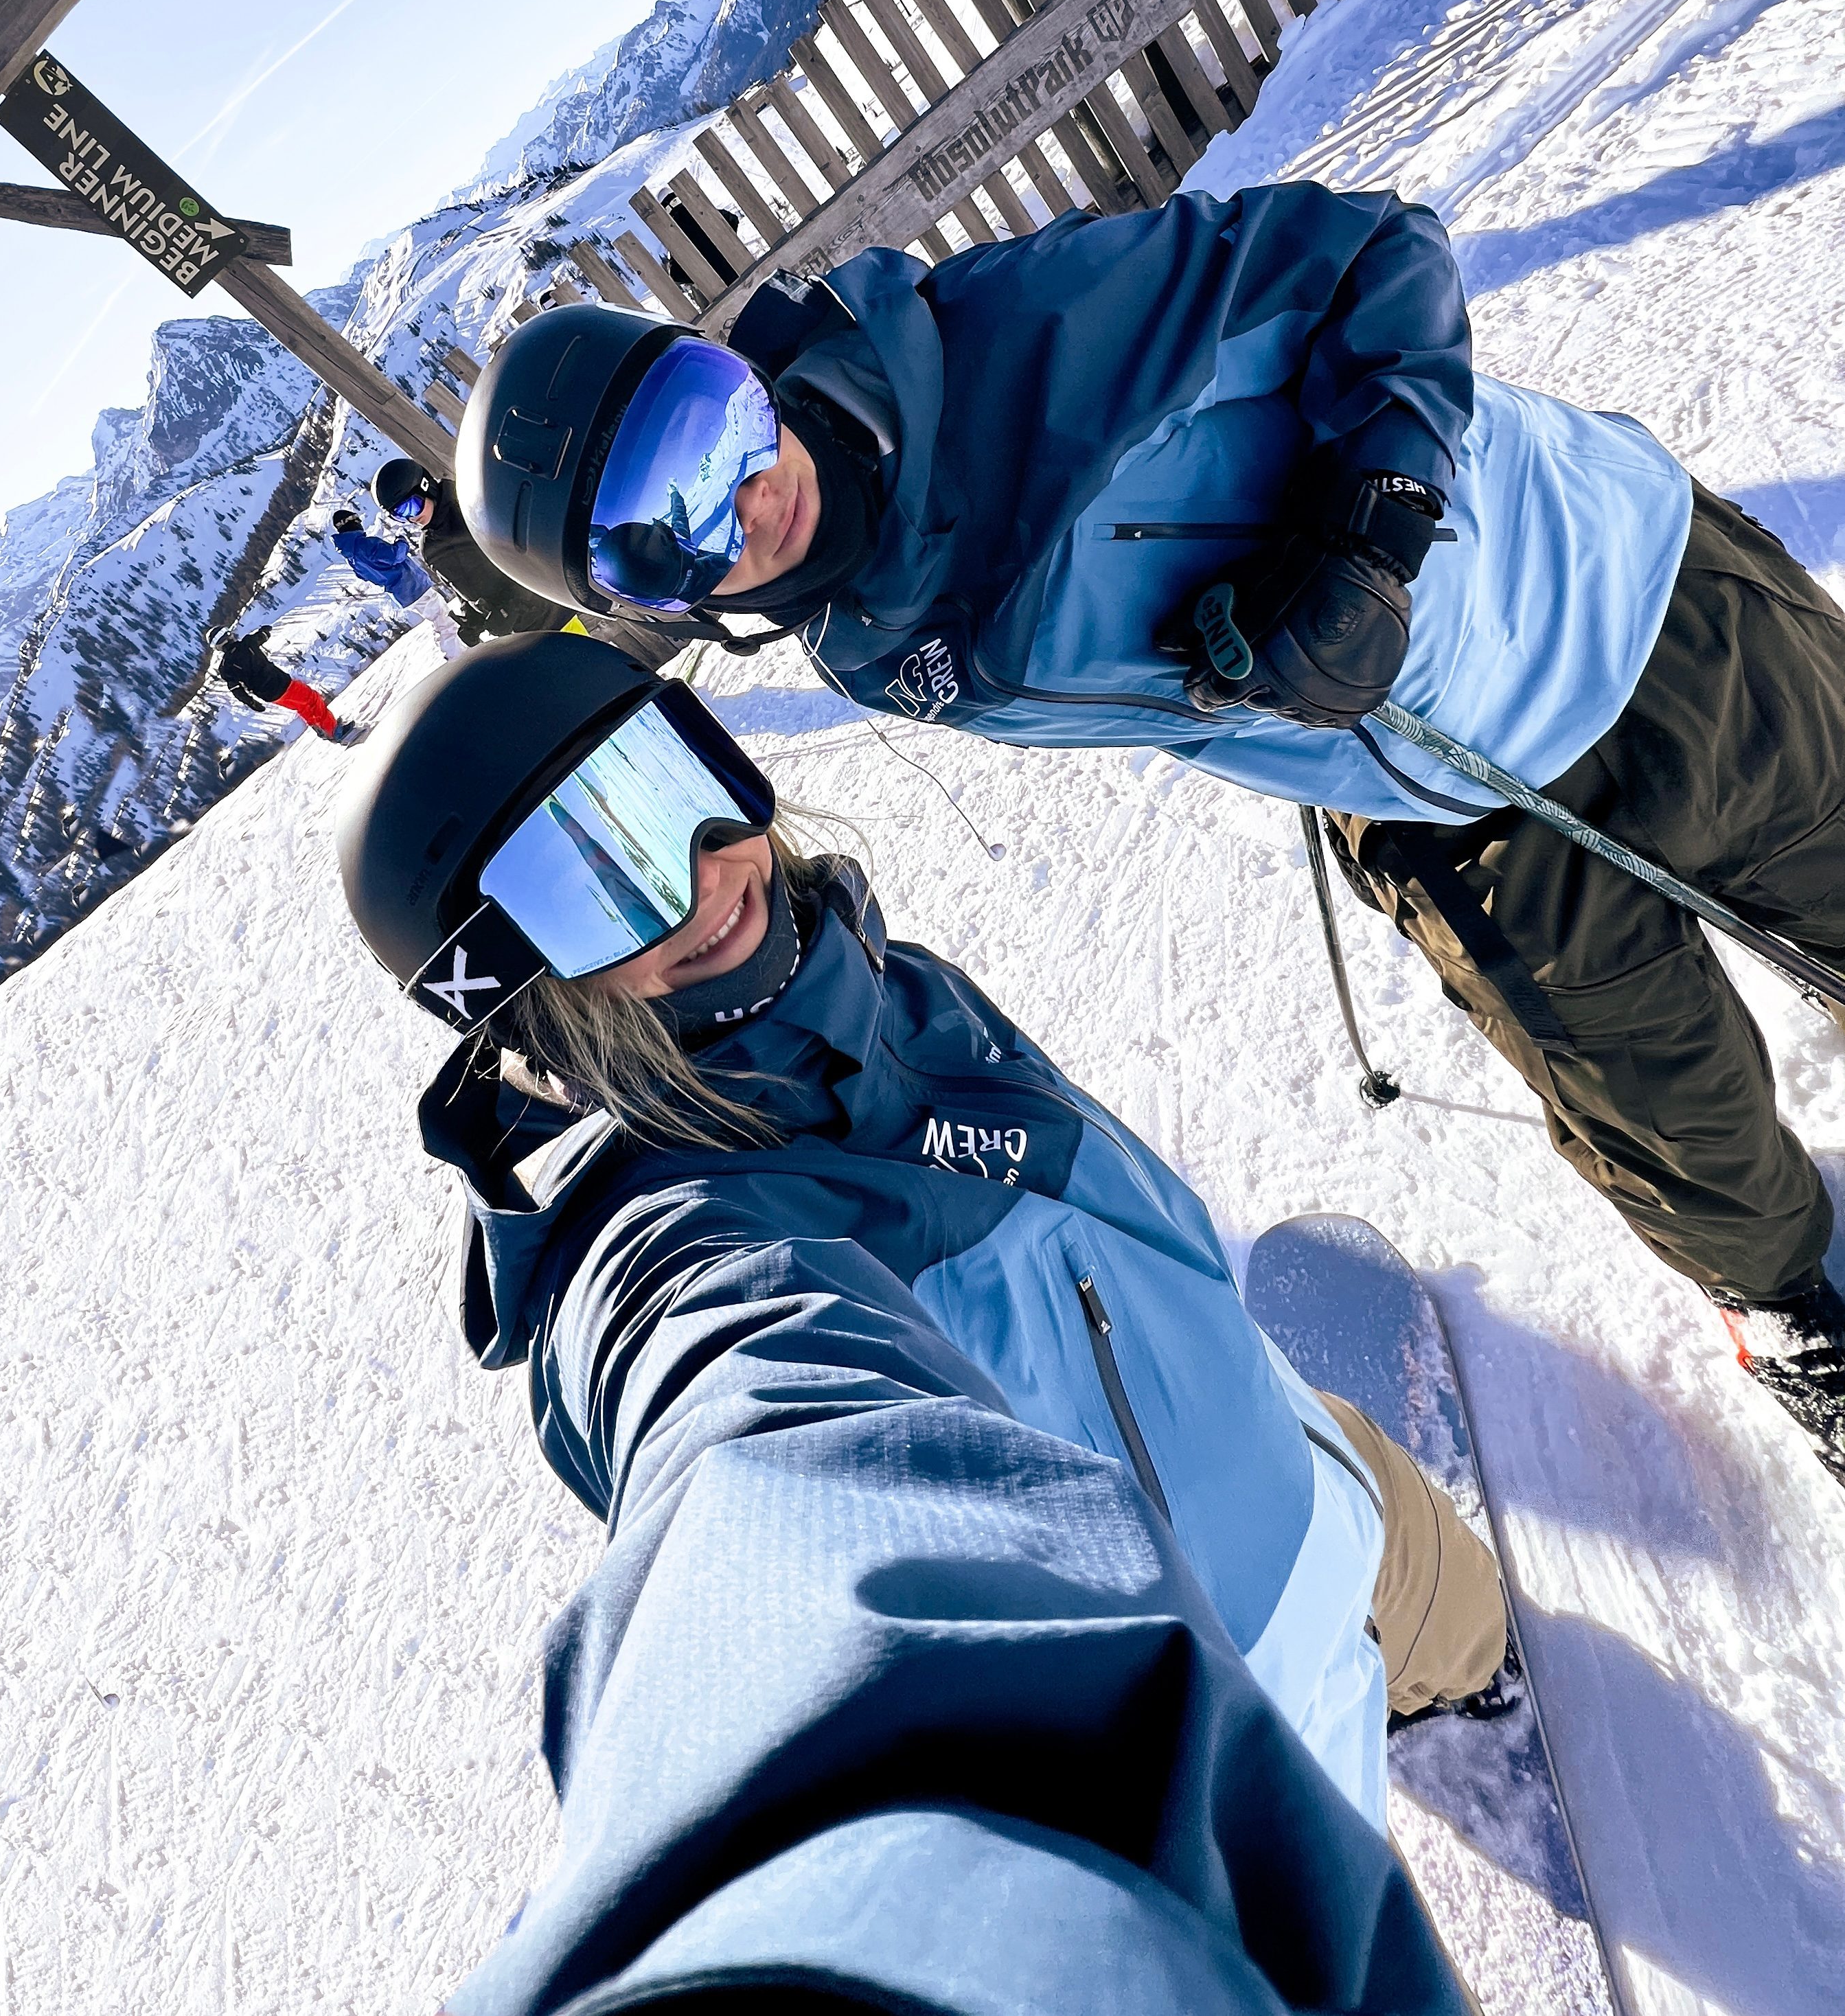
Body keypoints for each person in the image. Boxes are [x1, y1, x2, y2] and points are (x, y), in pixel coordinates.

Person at [452, 192, 1845, 1486]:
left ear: (731, 363)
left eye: (712, 424)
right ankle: (1786, 1311)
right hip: (1445, 802)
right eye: (666, 536)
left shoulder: (1004, 337)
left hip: (1621, 597)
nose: (748, 502)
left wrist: (1373, 524)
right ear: (659, 601)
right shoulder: (872, 650)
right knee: (1677, 1126)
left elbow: (1379, 257)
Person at [336, 633, 1498, 2016]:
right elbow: (770, 1482)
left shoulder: (887, 981)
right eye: (590, 884)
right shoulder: (676, 1247)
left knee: (1458, 1620)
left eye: (669, 784)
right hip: (1216, 1708)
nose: (701, 873)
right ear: (512, 984)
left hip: (1317, 1469)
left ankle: (1460, 1686)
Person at [370, 455, 564, 646]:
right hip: (527, 635)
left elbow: (530, 553)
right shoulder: (430, 548)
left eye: (410, 507)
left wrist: (511, 607)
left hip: (557, 612)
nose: (411, 519)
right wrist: (473, 619)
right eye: (399, 516)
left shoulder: (472, 506)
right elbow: (464, 589)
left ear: (425, 485)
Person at [329, 505, 467, 660]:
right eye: (357, 519)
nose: (360, 522)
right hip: (412, 585)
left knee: (438, 619)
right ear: (350, 522)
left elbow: (365, 576)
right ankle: (457, 657)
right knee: (443, 618)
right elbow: (395, 556)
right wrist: (401, 542)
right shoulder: (364, 544)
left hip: (401, 592)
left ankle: (456, 652)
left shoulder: (351, 557)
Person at [214, 627, 341, 740]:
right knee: (312, 699)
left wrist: (251, 702)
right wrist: (265, 630)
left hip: (269, 696)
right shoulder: (247, 643)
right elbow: (263, 636)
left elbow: (236, 689)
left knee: (302, 706)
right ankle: (334, 731)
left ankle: (321, 728)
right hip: (281, 683)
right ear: (229, 635)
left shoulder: (225, 668)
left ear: (218, 647)